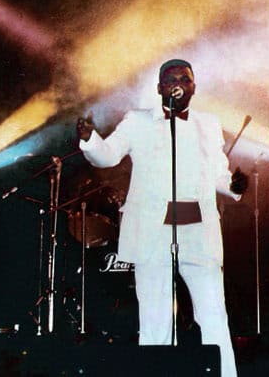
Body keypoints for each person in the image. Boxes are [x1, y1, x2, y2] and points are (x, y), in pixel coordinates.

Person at [76, 59, 248, 376]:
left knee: (213, 313)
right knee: (156, 318)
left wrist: (233, 186)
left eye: (185, 79)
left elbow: (218, 173)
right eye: (171, 79)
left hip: (198, 228)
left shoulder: (208, 124)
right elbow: (108, 155)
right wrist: (90, 140)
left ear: (194, 87)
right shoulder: (137, 121)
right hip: (153, 231)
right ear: (159, 88)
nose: (178, 83)